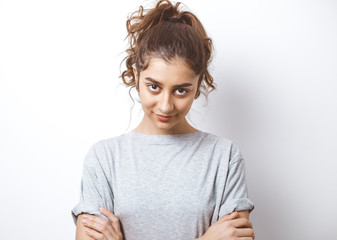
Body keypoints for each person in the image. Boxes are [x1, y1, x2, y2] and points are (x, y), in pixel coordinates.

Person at [71, 0, 255, 239]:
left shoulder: (224, 156)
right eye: (154, 87)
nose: (166, 106)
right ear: (137, 76)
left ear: (198, 84)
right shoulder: (104, 158)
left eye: (181, 90)